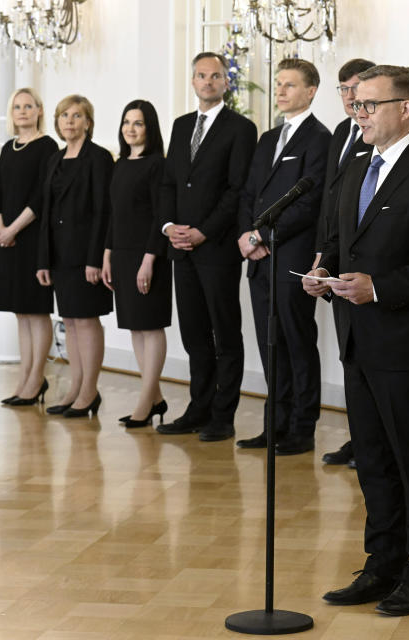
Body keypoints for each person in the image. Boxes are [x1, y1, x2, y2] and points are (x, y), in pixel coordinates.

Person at [303, 65, 409, 616]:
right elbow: (341, 244)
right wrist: (322, 275)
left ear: (405, 109)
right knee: (371, 461)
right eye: (356, 104)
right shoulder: (353, 165)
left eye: (370, 105)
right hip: (357, 337)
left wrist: (380, 288)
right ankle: (380, 566)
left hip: (406, 342)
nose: (360, 114)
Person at [156, 51, 258, 442]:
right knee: (194, 334)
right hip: (180, 247)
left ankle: (223, 414)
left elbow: (237, 191)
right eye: (201, 75)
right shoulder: (181, 126)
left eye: (216, 76)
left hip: (215, 248)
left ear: (225, 82)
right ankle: (197, 408)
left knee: (225, 332)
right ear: (193, 80)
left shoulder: (240, 128)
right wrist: (169, 227)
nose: (208, 82)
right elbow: (168, 183)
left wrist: (203, 231)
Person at [235, 59, 330, 455]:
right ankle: (273, 425)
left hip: (291, 254)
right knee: (269, 344)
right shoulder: (267, 137)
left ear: (310, 91)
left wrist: (262, 233)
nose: (281, 91)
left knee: (297, 344)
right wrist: (246, 234)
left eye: (290, 85)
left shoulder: (319, 138)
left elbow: (309, 202)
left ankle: (301, 428)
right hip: (259, 259)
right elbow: (249, 192)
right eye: (278, 84)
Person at [36, 94, 114, 418]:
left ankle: (89, 391)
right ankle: (75, 388)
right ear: (57, 122)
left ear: (88, 123)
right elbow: (46, 212)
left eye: (76, 115)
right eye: (64, 115)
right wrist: (43, 259)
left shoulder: (99, 158)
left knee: (86, 320)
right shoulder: (54, 159)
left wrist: (95, 258)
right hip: (59, 255)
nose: (69, 121)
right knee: (69, 321)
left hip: (86, 256)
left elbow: (103, 211)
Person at [318, 57, 375, 469]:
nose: (350, 96)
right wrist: (323, 254)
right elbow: (330, 198)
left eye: (357, 87)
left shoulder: (376, 136)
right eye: (344, 89)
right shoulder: (341, 132)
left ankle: (370, 442)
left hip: (365, 261)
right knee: (348, 357)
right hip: (335, 255)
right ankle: (358, 438)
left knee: (367, 360)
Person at [100, 99, 171, 428]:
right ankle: (154, 397)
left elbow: (160, 215)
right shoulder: (120, 163)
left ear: (150, 128)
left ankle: (145, 400)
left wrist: (149, 260)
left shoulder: (157, 164)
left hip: (148, 255)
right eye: (127, 122)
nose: (130, 128)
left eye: (138, 123)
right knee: (134, 326)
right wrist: (107, 254)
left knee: (150, 325)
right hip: (123, 254)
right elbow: (114, 214)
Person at [0, 88, 58, 407]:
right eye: (17, 106)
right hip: (9, 238)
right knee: (20, 311)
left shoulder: (47, 147)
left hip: (32, 237)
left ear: (40, 110)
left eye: (29, 106)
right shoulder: (8, 147)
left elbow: (43, 196)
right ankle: (26, 378)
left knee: (37, 310)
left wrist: (14, 228)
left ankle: (35, 377)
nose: (23, 111)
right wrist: (1, 227)